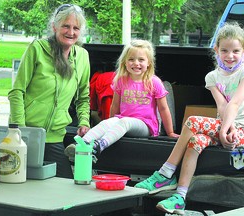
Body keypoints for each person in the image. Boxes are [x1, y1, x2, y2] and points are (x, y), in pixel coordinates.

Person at [135, 22, 244, 215]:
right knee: (195, 141)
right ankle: (180, 197)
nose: (230, 55)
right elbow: (222, 106)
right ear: (216, 50)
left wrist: (227, 129)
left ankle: (166, 173)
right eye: (225, 50)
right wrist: (225, 128)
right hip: (224, 126)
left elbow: (235, 104)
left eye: (236, 50)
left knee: (193, 121)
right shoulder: (212, 77)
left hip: (239, 128)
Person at [8, 4, 90, 179]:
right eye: (66, 26)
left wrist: (84, 122)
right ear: (55, 27)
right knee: (20, 186)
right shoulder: (37, 48)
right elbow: (17, 91)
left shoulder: (83, 56)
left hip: (54, 138)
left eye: (76, 28)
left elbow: (83, 97)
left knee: (65, 185)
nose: (71, 32)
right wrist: (20, 130)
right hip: (26, 134)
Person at [65, 39, 179, 162]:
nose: (136, 63)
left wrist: (170, 132)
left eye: (141, 60)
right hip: (122, 121)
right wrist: (110, 123)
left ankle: (99, 146)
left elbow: (163, 108)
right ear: (125, 62)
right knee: (106, 123)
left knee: (124, 121)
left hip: (146, 125)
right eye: (131, 59)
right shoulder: (121, 80)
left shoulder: (154, 82)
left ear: (149, 63)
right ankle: (82, 144)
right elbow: (115, 105)